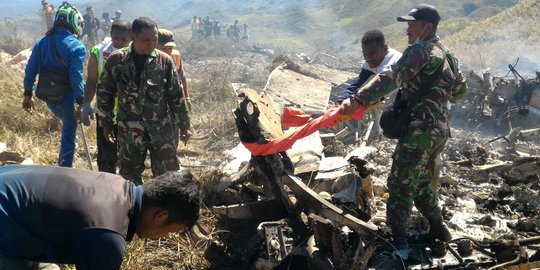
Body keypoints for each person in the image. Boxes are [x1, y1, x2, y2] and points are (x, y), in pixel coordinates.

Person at [341, 4, 467, 257]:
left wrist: (358, 99)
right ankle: (439, 229)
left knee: (399, 185)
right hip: (439, 132)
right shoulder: (448, 54)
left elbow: (390, 77)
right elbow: (460, 90)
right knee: (420, 183)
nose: (408, 28)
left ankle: (398, 243)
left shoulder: (420, 50)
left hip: (418, 132)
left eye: (412, 24)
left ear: (427, 27)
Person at [0, 164, 200, 270]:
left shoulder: (117, 184)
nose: (163, 237)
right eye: (170, 231)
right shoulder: (107, 234)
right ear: (161, 216)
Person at [97, 17, 191, 185]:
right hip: (129, 132)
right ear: (133, 37)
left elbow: (176, 95)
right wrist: (106, 123)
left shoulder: (164, 62)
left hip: (161, 131)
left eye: (154, 39)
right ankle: (135, 209)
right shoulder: (117, 60)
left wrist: (184, 124)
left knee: (168, 178)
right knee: (129, 178)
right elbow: (105, 91)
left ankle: (164, 209)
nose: (151, 44)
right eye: (146, 40)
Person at [23, 2, 86, 168]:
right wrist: (81, 101)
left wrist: (27, 94)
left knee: (67, 124)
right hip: (67, 96)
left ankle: (71, 152)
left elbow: (30, 69)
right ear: (74, 23)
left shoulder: (42, 42)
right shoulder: (77, 46)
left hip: (46, 95)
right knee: (69, 132)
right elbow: (76, 76)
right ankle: (65, 168)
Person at [79, 19, 132, 174]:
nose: (119, 42)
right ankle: (105, 189)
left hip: (129, 113)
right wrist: (86, 103)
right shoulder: (99, 51)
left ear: (131, 37)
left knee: (128, 156)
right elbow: (91, 80)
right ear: (111, 34)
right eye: (116, 38)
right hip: (105, 112)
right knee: (106, 156)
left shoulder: (136, 52)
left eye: (124, 39)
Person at [335, 30, 402, 136]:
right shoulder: (370, 61)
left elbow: (381, 87)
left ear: (384, 49)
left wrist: (355, 100)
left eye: (372, 53)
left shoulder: (394, 62)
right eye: (365, 54)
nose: (368, 57)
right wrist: (338, 103)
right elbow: (357, 83)